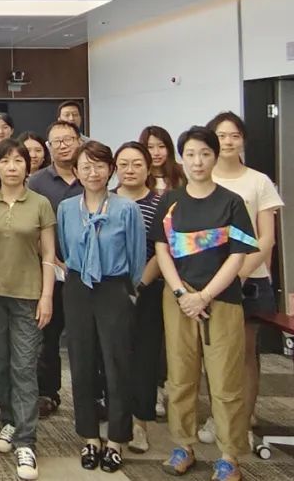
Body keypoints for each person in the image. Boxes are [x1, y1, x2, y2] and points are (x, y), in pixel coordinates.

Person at [151, 126, 257, 481]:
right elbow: (161, 250)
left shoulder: (232, 202)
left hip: (221, 300)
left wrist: (204, 296)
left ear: (215, 156)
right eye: (191, 154)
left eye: (205, 154)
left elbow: (238, 256)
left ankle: (229, 456)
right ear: (182, 158)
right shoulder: (170, 201)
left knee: (226, 380)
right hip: (178, 300)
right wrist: (182, 294)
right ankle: (183, 446)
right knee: (180, 377)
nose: (197, 161)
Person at [56, 141, 145, 473]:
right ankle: (90, 437)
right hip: (78, 287)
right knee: (81, 363)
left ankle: (117, 440)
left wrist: (126, 291)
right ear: (76, 171)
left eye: (99, 166)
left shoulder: (126, 209)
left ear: (110, 170)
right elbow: (64, 249)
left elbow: (137, 257)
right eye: (86, 167)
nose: (92, 173)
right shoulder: (66, 208)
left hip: (113, 287)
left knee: (116, 364)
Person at [0, 138, 56, 481]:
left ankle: (26, 440)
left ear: (28, 166)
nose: (12, 166)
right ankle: (9, 420)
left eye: (18, 160)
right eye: (5, 161)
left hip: (28, 296)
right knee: (0, 364)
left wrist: (47, 296)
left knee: (24, 367)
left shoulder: (40, 203)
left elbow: (48, 255)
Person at [202, 112, 283, 449]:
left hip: (251, 279)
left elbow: (267, 238)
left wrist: (240, 272)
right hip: (209, 279)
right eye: (221, 135)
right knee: (215, 353)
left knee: (247, 353)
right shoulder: (202, 178)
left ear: (243, 140)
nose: (228, 141)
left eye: (234, 135)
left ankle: (243, 420)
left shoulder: (258, 181)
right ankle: (218, 415)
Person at [27, 120, 83, 418]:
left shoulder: (90, 174)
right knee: (47, 336)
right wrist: (56, 261)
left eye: (68, 139)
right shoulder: (37, 181)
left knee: (83, 336)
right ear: (49, 147)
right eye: (56, 141)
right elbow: (31, 226)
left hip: (87, 272)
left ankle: (91, 395)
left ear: (79, 141)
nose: (63, 145)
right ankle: (47, 392)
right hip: (50, 270)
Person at [112, 142, 165, 454]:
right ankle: (117, 423)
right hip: (109, 290)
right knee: (113, 358)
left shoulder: (160, 203)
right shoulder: (105, 200)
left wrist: (139, 285)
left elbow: (161, 250)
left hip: (148, 289)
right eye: (123, 164)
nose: (129, 170)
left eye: (136, 164)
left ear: (148, 168)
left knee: (144, 359)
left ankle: (140, 425)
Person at [140, 126, 185, 195]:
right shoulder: (138, 177)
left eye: (161, 146)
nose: (156, 153)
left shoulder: (182, 173)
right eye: (150, 147)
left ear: (169, 149)